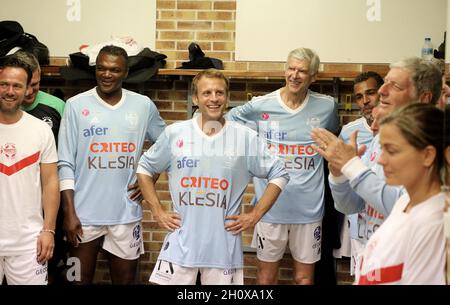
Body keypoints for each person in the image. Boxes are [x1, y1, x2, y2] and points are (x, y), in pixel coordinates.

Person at [136, 69, 289, 285]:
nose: (214, 98)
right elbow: (144, 167)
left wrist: (255, 215)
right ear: (195, 98)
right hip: (181, 243)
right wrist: (158, 211)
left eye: (220, 93)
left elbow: (280, 173)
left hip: (223, 249)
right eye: (207, 93)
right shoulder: (176, 133)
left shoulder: (245, 137)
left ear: (227, 98)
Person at [226, 48, 339, 285]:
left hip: (310, 211)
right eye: (291, 68)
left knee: (304, 280)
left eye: (302, 71)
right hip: (269, 210)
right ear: (284, 70)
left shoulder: (327, 106)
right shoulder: (261, 105)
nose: (295, 75)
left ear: (313, 77)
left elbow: (333, 134)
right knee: (265, 279)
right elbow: (228, 121)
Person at [57, 45, 166, 284]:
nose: (107, 75)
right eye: (102, 69)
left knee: (125, 281)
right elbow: (64, 162)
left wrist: (150, 174)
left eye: (114, 70)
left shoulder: (143, 105)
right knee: (76, 280)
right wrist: (69, 213)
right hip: (83, 215)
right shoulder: (75, 106)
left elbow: (166, 145)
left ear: (125, 73)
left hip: (125, 213)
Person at [311, 57, 442, 251]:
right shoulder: (377, 139)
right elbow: (351, 206)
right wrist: (339, 175)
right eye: (385, 82)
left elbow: (404, 206)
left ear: (423, 98)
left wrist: (352, 166)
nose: (382, 91)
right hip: (371, 247)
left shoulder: (434, 145)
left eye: (395, 86)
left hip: (406, 252)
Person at [356, 103, 445, 285]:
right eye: (381, 149)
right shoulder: (404, 202)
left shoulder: (433, 223)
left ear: (427, 155)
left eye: (392, 150)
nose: (381, 160)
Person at [0, 56, 59, 284]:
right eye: (4, 84)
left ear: (27, 90)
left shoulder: (40, 130)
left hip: (28, 242)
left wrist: (49, 230)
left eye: (17, 85)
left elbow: (50, 182)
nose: (10, 91)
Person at [333, 72, 383, 275]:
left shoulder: (402, 127)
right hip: (361, 219)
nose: (365, 101)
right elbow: (345, 179)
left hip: (389, 217)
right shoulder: (349, 131)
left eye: (370, 93)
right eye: (359, 97)